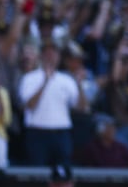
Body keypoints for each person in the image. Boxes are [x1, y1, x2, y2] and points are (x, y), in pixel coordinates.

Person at [18, 37, 83, 167]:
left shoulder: (67, 80)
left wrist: (79, 85)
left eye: (54, 52)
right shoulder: (29, 78)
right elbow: (29, 105)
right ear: (41, 55)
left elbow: (81, 108)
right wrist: (45, 82)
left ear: (59, 56)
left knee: (63, 174)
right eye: (47, 52)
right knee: (37, 174)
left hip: (61, 134)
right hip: (37, 133)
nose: (50, 56)